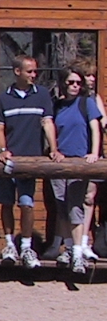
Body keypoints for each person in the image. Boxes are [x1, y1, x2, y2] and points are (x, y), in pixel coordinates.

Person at [0, 55, 61, 268]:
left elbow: (47, 123)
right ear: (17, 72)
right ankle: (9, 244)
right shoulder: (4, 98)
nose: (34, 75)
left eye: (35, 71)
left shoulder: (42, 95)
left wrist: (53, 149)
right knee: (6, 203)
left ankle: (26, 247)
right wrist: (3, 150)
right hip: (9, 160)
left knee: (27, 204)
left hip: (31, 160)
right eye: (29, 71)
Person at [49, 65, 101, 274]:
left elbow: (95, 128)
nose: (74, 86)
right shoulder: (57, 105)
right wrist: (53, 150)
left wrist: (94, 153)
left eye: (78, 83)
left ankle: (78, 253)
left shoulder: (86, 103)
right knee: (61, 206)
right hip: (60, 162)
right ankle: (69, 248)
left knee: (75, 208)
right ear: (63, 83)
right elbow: (50, 129)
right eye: (70, 82)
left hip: (79, 162)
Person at [74, 58, 104, 260]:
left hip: (93, 154)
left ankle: (85, 242)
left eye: (94, 75)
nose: (92, 79)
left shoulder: (94, 98)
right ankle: (71, 243)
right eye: (88, 75)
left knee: (89, 197)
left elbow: (102, 122)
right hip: (74, 152)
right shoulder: (69, 99)